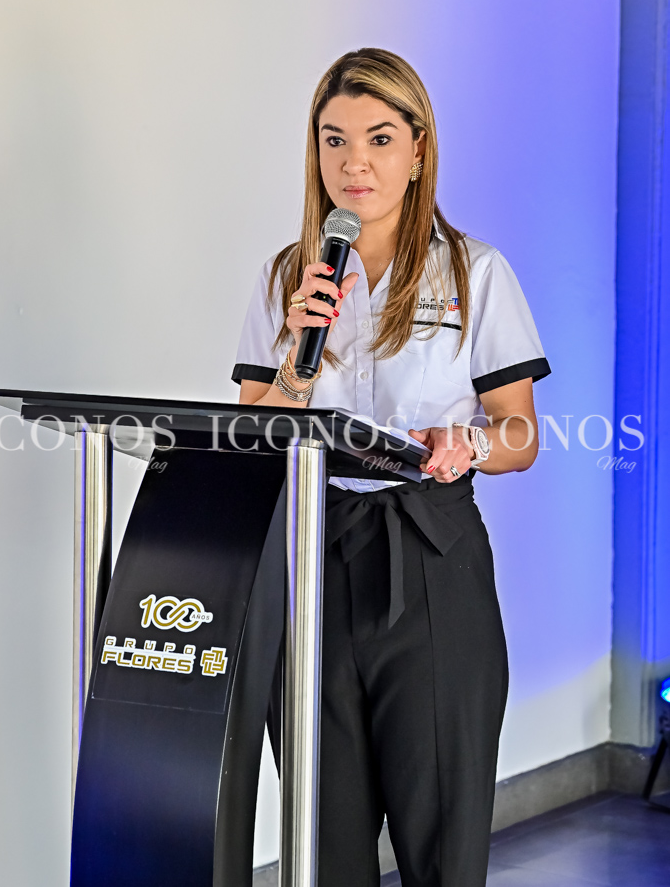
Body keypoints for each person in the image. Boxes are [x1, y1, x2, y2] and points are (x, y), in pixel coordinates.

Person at [233, 48, 550, 887]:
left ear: (418, 149)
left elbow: (521, 434)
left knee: (442, 841)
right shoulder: (285, 279)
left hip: (431, 552)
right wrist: (298, 360)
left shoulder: (475, 272)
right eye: (334, 140)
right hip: (310, 555)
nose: (355, 163)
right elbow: (251, 437)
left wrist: (470, 444)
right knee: (323, 841)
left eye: (378, 139)